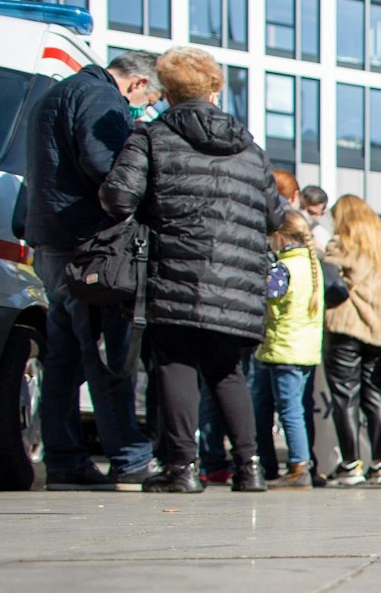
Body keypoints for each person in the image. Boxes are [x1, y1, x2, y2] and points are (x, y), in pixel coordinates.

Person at [99, 47, 283, 494]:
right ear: (214, 88)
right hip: (237, 281)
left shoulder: (150, 137)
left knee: (175, 364)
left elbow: (117, 198)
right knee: (227, 371)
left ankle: (182, 469)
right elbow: (275, 217)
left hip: (173, 273)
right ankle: (250, 467)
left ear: (167, 91)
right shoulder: (250, 148)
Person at [23, 49, 161, 491]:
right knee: (107, 355)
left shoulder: (55, 94)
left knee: (62, 360)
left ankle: (64, 460)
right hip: (90, 247)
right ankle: (130, 457)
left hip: (51, 242)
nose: (146, 108)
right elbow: (107, 166)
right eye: (148, 98)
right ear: (137, 84)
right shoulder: (101, 97)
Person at [320, 195, 381, 485]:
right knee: (376, 395)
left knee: (345, 395)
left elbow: (327, 278)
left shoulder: (343, 242)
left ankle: (351, 464)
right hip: (379, 330)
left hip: (345, 325)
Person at [252, 210, 323, 488]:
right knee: (298, 408)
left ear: (280, 236)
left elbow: (267, 303)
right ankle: (302, 463)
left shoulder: (283, 269)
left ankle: (298, 466)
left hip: (284, 349)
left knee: (288, 410)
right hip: (305, 350)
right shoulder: (311, 266)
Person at [299, 184, 332, 250]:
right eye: (301, 208)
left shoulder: (320, 233)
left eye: (310, 212)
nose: (303, 214)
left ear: (323, 213)